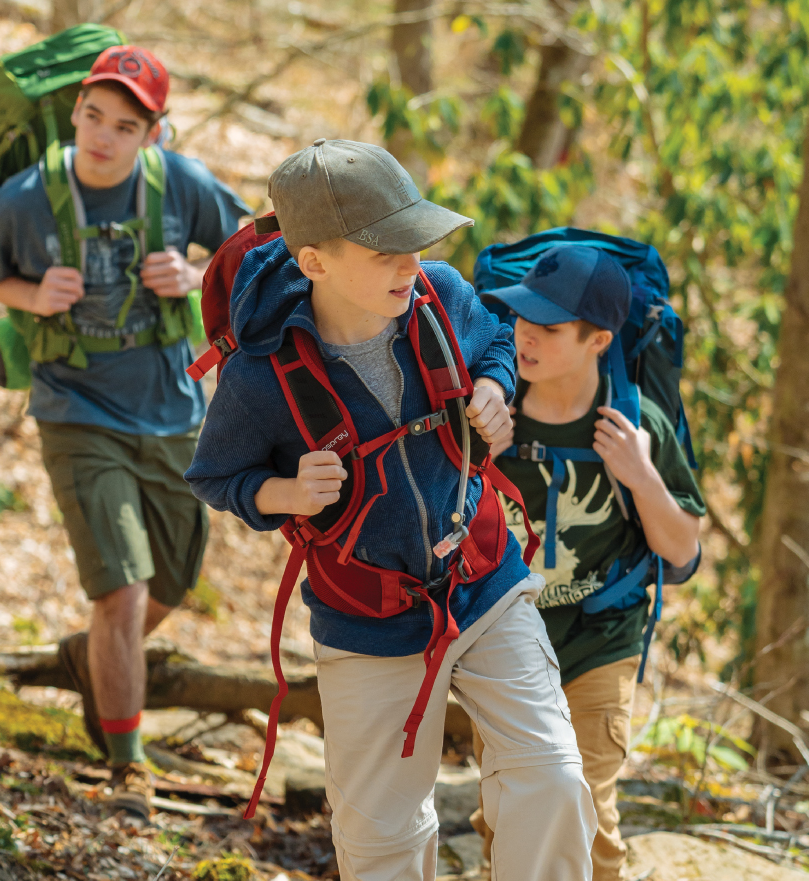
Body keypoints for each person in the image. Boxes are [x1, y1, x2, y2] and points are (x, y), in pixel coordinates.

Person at [185, 138, 596, 880]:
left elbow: (496, 342)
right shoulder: (261, 373)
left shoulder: (438, 296)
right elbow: (216, 477)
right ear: (314, 262)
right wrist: (283, 493)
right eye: (384, 253)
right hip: (366, 618)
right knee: (380, 843)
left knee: (554, 778)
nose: (410, 264)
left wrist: (495, 389)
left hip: (483, 582)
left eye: (413, 242)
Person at [0, 44, 251, 817]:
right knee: (121, 590)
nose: (101, 136)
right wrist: (27, 291)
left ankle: (92, 658)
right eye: (92, 115)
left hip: (172, 405)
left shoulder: (179, 184)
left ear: (152, 134)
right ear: (78, 110)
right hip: (75, 406)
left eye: (124, 125)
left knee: (173, 581)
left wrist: (193, 276)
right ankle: (127, 763)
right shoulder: (27, 198)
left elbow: (251, 243)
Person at [475, 245, 706, 880]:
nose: (524, 336)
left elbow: (683, 551)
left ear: (599, 339)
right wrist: (475, 452)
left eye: (548, 329)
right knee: (509, 807)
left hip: (601, 637)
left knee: (585, 802)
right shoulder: (492, 405)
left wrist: (641, 476)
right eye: (521, 319)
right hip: (503, 640)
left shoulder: (634, 422)